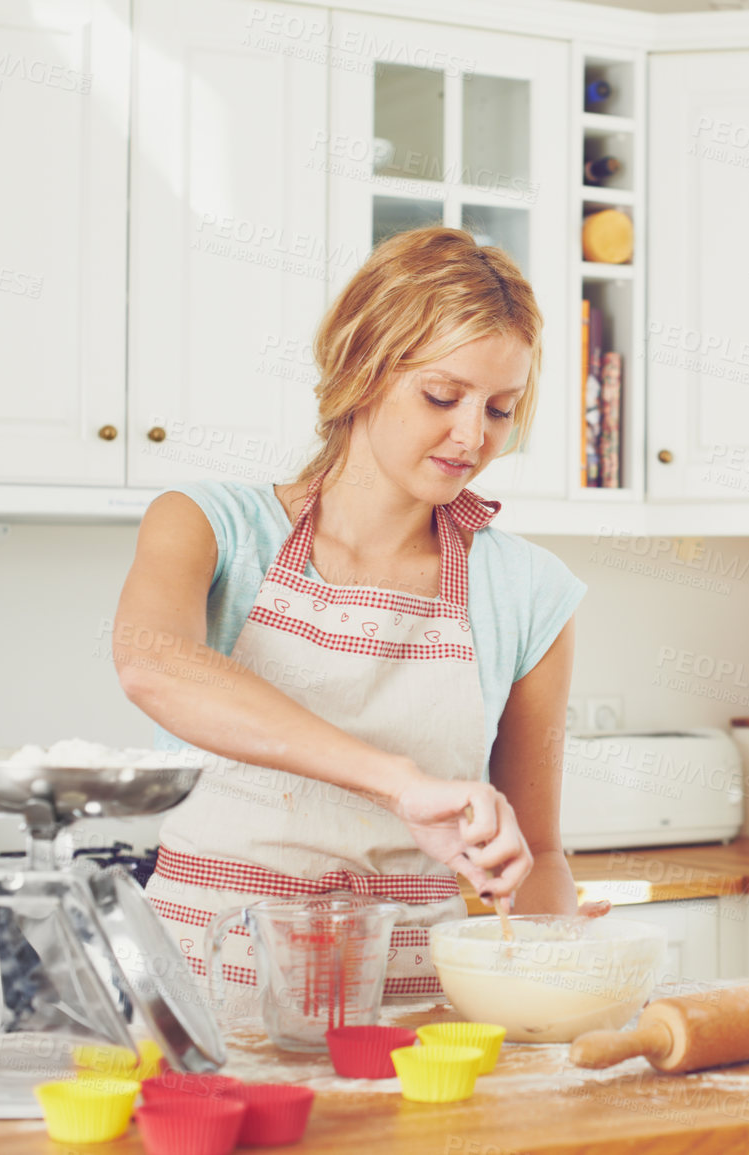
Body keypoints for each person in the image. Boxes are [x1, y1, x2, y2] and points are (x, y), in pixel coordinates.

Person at [111, 227, 589, 999]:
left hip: (414, 1018)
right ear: (363, 368)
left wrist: (553, 986)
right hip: (205, 999)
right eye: (442, 395)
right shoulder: (207, 525)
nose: (471, 436)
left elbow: (537, 849)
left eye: (499, 409)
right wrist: (399, 784)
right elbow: (154, 664)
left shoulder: (531, 591)